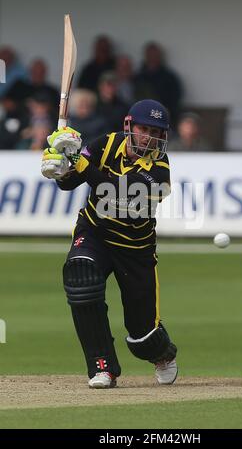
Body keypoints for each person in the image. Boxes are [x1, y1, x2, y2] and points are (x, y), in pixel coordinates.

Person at [41, 99, 178, 389]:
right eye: (144, 129)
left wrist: (79, 160)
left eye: (156, 131)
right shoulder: (108, 143)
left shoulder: (160, 173)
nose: (149, 137)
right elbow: (69, 182)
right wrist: (60, 162)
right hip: (95, 233)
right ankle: (103, 367)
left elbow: (114, 193)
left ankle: (162, 354)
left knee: (142, 338)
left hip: (135, 250)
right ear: (129, 126)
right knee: (81, 279)